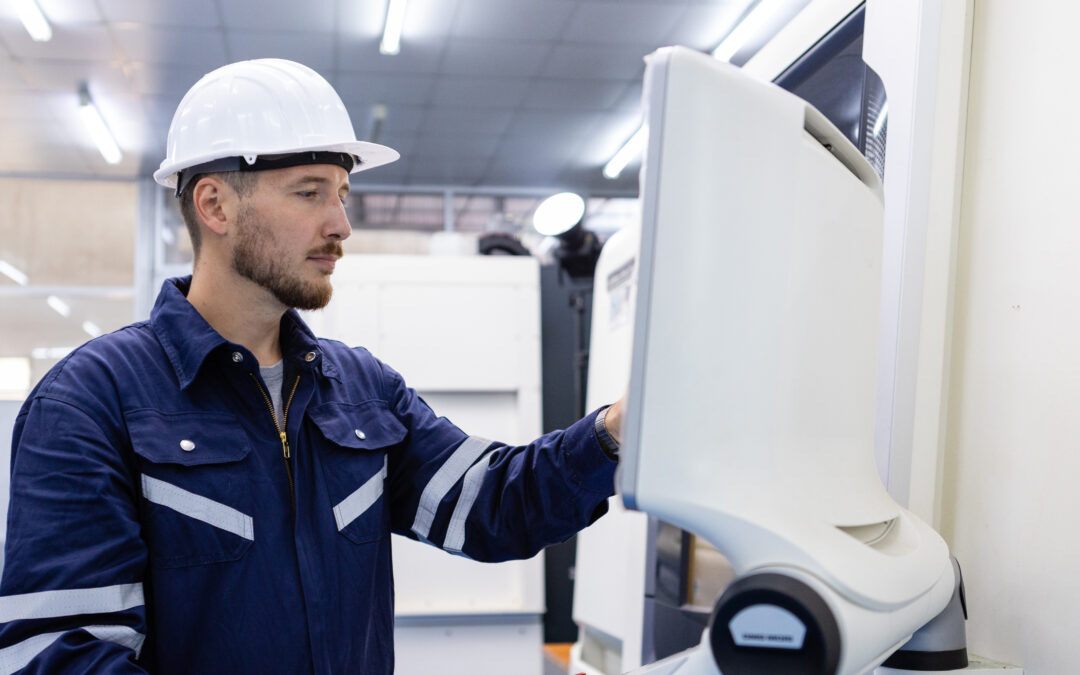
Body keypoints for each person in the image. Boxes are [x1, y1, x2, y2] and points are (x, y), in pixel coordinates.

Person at [0, 59, 623, 674]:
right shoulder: (91, 400)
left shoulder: (360, 392)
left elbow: (494, 506)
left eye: (343, 195)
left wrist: (614, 432)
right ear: (215, 205)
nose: (341, 225)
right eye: (310, 193)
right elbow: (59, 653)